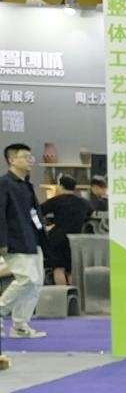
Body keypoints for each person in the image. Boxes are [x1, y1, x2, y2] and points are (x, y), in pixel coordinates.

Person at [0, 142, 47, 338]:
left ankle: (20, 325)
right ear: (12, 160)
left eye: (31, 157)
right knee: (27, 279)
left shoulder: (27, 184)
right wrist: (2, 241)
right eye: (25, 157)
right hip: (15, 239)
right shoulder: (4, 183)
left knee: (36, 284)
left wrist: (42, 234)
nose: (30, 161)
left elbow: (34, 213)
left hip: (33, 238)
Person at [40, 175, 91, 285]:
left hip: (57, 238)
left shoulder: (56, 201)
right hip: (76, 240)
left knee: (58, 268)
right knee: (71, 269)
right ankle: (73, 292)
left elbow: (39, 211)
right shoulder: (84, 203)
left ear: (61, 186)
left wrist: (48, 226)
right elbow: (90, 215)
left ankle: (62, 293)